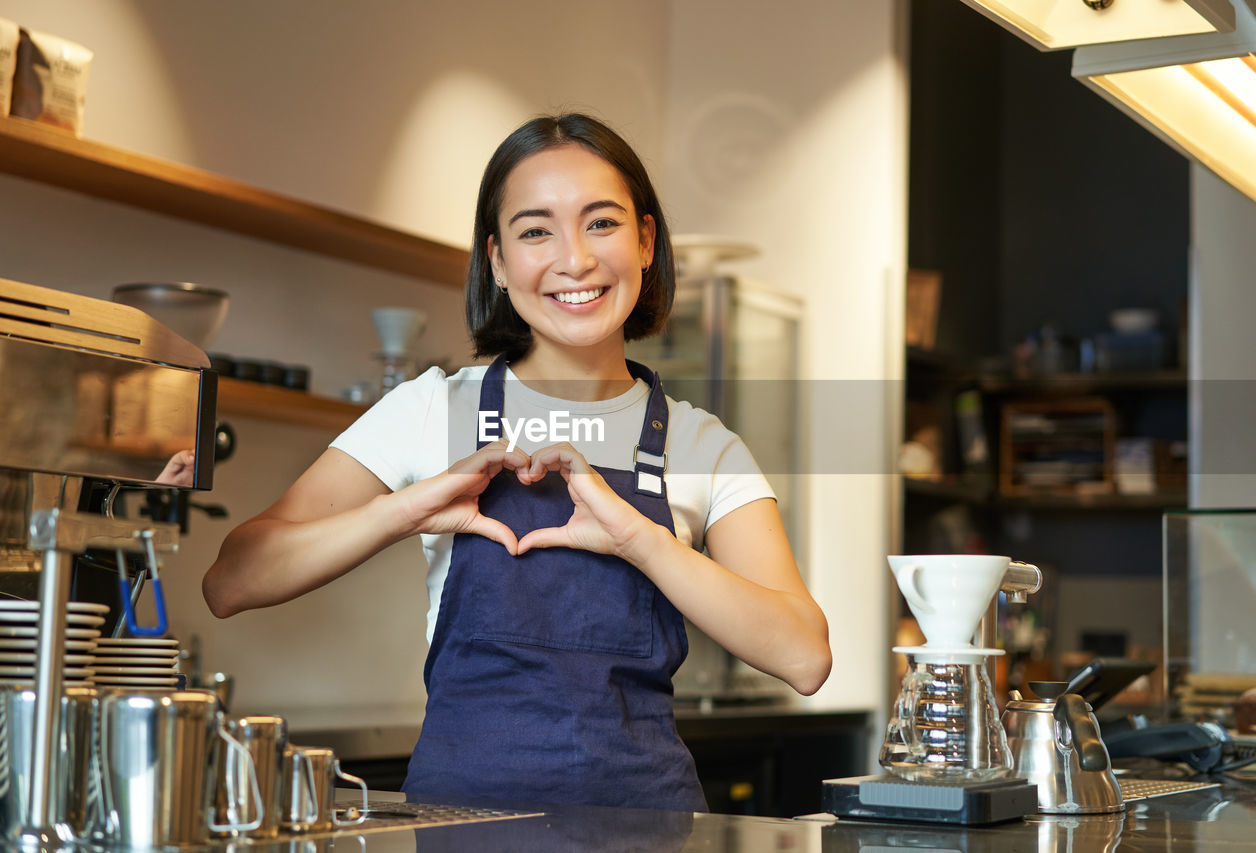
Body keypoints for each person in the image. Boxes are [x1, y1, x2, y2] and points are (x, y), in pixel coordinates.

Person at [202, 113, 831, 811]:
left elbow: (804, 656)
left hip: (648, 828)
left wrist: (641, 541)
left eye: (602, 223)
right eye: (536, 231)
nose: (575, 260)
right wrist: (402, 511)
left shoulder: (702, 445)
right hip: (457, 824)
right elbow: (233, 578)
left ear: (646, 240)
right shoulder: (431, 410)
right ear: (497, 261)